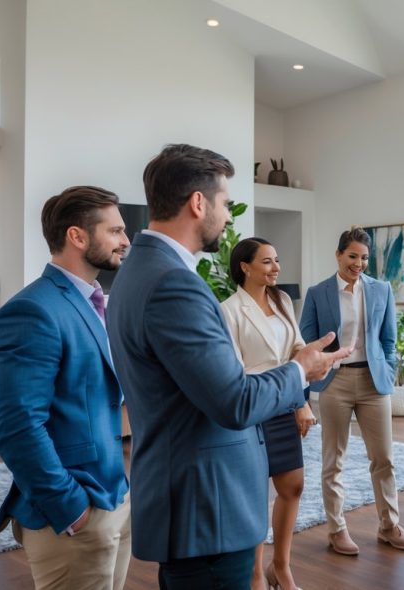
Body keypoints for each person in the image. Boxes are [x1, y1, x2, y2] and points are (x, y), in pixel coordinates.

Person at [107, 144, 348, 589]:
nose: (226, 216)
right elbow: (234, 401)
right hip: (206, 507)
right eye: (223, 202)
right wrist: (300, 370)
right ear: (198, 203)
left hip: (189, 496)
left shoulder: (138, 271)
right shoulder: (173, 284)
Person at [0, 186, 132, 590]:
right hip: (73, 513)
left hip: (115, 494)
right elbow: (16, 428)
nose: (126, 240)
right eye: (116, 230)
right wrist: (70, 508)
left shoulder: (98, 303)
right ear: (77, 236)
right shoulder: (32, 310)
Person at [299, 227, 404, 556]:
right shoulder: (317, 292)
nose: (359, 263)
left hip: (373, 382)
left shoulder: (380, 290)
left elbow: (389, 339)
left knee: (383, 458)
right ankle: (337, 529)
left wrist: (388, 367)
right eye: (352, 256)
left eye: (364, 258)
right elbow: (309, 339)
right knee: (333, 460)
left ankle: (389, 526)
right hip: (334, 382)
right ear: (338, 255)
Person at [220, 237, 316, 590]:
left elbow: (297, 348)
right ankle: (256, 573)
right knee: (255, 494)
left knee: (293, 484)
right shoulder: (228, 310)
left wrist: (300, 401)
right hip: (253, 406)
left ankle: (282, 566)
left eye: (276, 260)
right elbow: (233, 369)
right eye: (267, 262)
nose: (276, 268)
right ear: (245, 266)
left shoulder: (283, 301)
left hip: (285, 401)